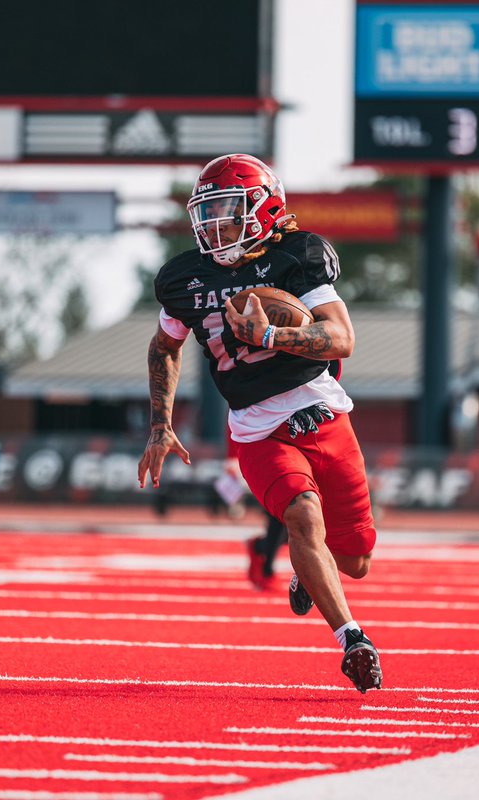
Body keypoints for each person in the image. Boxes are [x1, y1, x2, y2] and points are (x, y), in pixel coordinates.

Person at [137, 153, 383, 694]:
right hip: (257, 428)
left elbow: (341, 340)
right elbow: (165, 349)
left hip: (322, 410)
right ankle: (352, 638)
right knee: (302, 516)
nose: (214, 224)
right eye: (207, 212)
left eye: (227, 209)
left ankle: (307, 571)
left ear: (265, 207)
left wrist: (270, 336)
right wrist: (160, 424)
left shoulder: (298, 255)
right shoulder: (183, 278)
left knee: (357, 559)